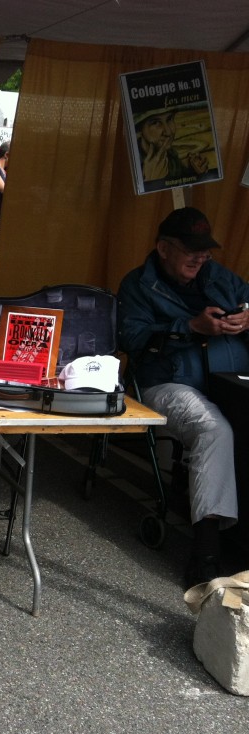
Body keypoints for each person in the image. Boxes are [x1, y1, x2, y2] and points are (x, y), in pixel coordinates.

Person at [118, 207, 249, 586]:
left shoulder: (219, 276)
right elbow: (134, 341)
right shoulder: (138, 285)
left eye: (205, 251)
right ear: (163, 248)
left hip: (229, 380)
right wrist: (190, 326)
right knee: (212, 430)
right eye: (191, 250)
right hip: (165, 384)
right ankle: (206, 554)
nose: (201, 257)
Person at [135, 106, 209, 191]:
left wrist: (195, 172)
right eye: (156, 123)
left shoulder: (169, 154)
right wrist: (150, 181)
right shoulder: (134, 161)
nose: (169, 132)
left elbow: (179, 181)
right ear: (139, 129)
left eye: (169, 119)